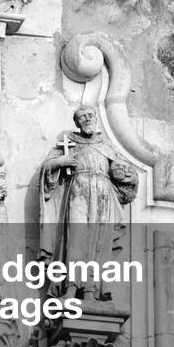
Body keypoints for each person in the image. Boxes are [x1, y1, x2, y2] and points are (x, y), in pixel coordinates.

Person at [39, 105, 137, 300]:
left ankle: (91, 290)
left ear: (96, 119)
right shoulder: (68, 143)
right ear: (77, 122)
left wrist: (125, 174)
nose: (87, 119)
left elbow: (128, 173)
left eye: (90, 115)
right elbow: (47, 167)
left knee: (99, 241)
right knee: (75, 239)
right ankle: (71, 287)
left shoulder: (107, 146)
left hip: (103, 194)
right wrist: (61, 162)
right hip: (78, 191)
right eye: (82, 117)